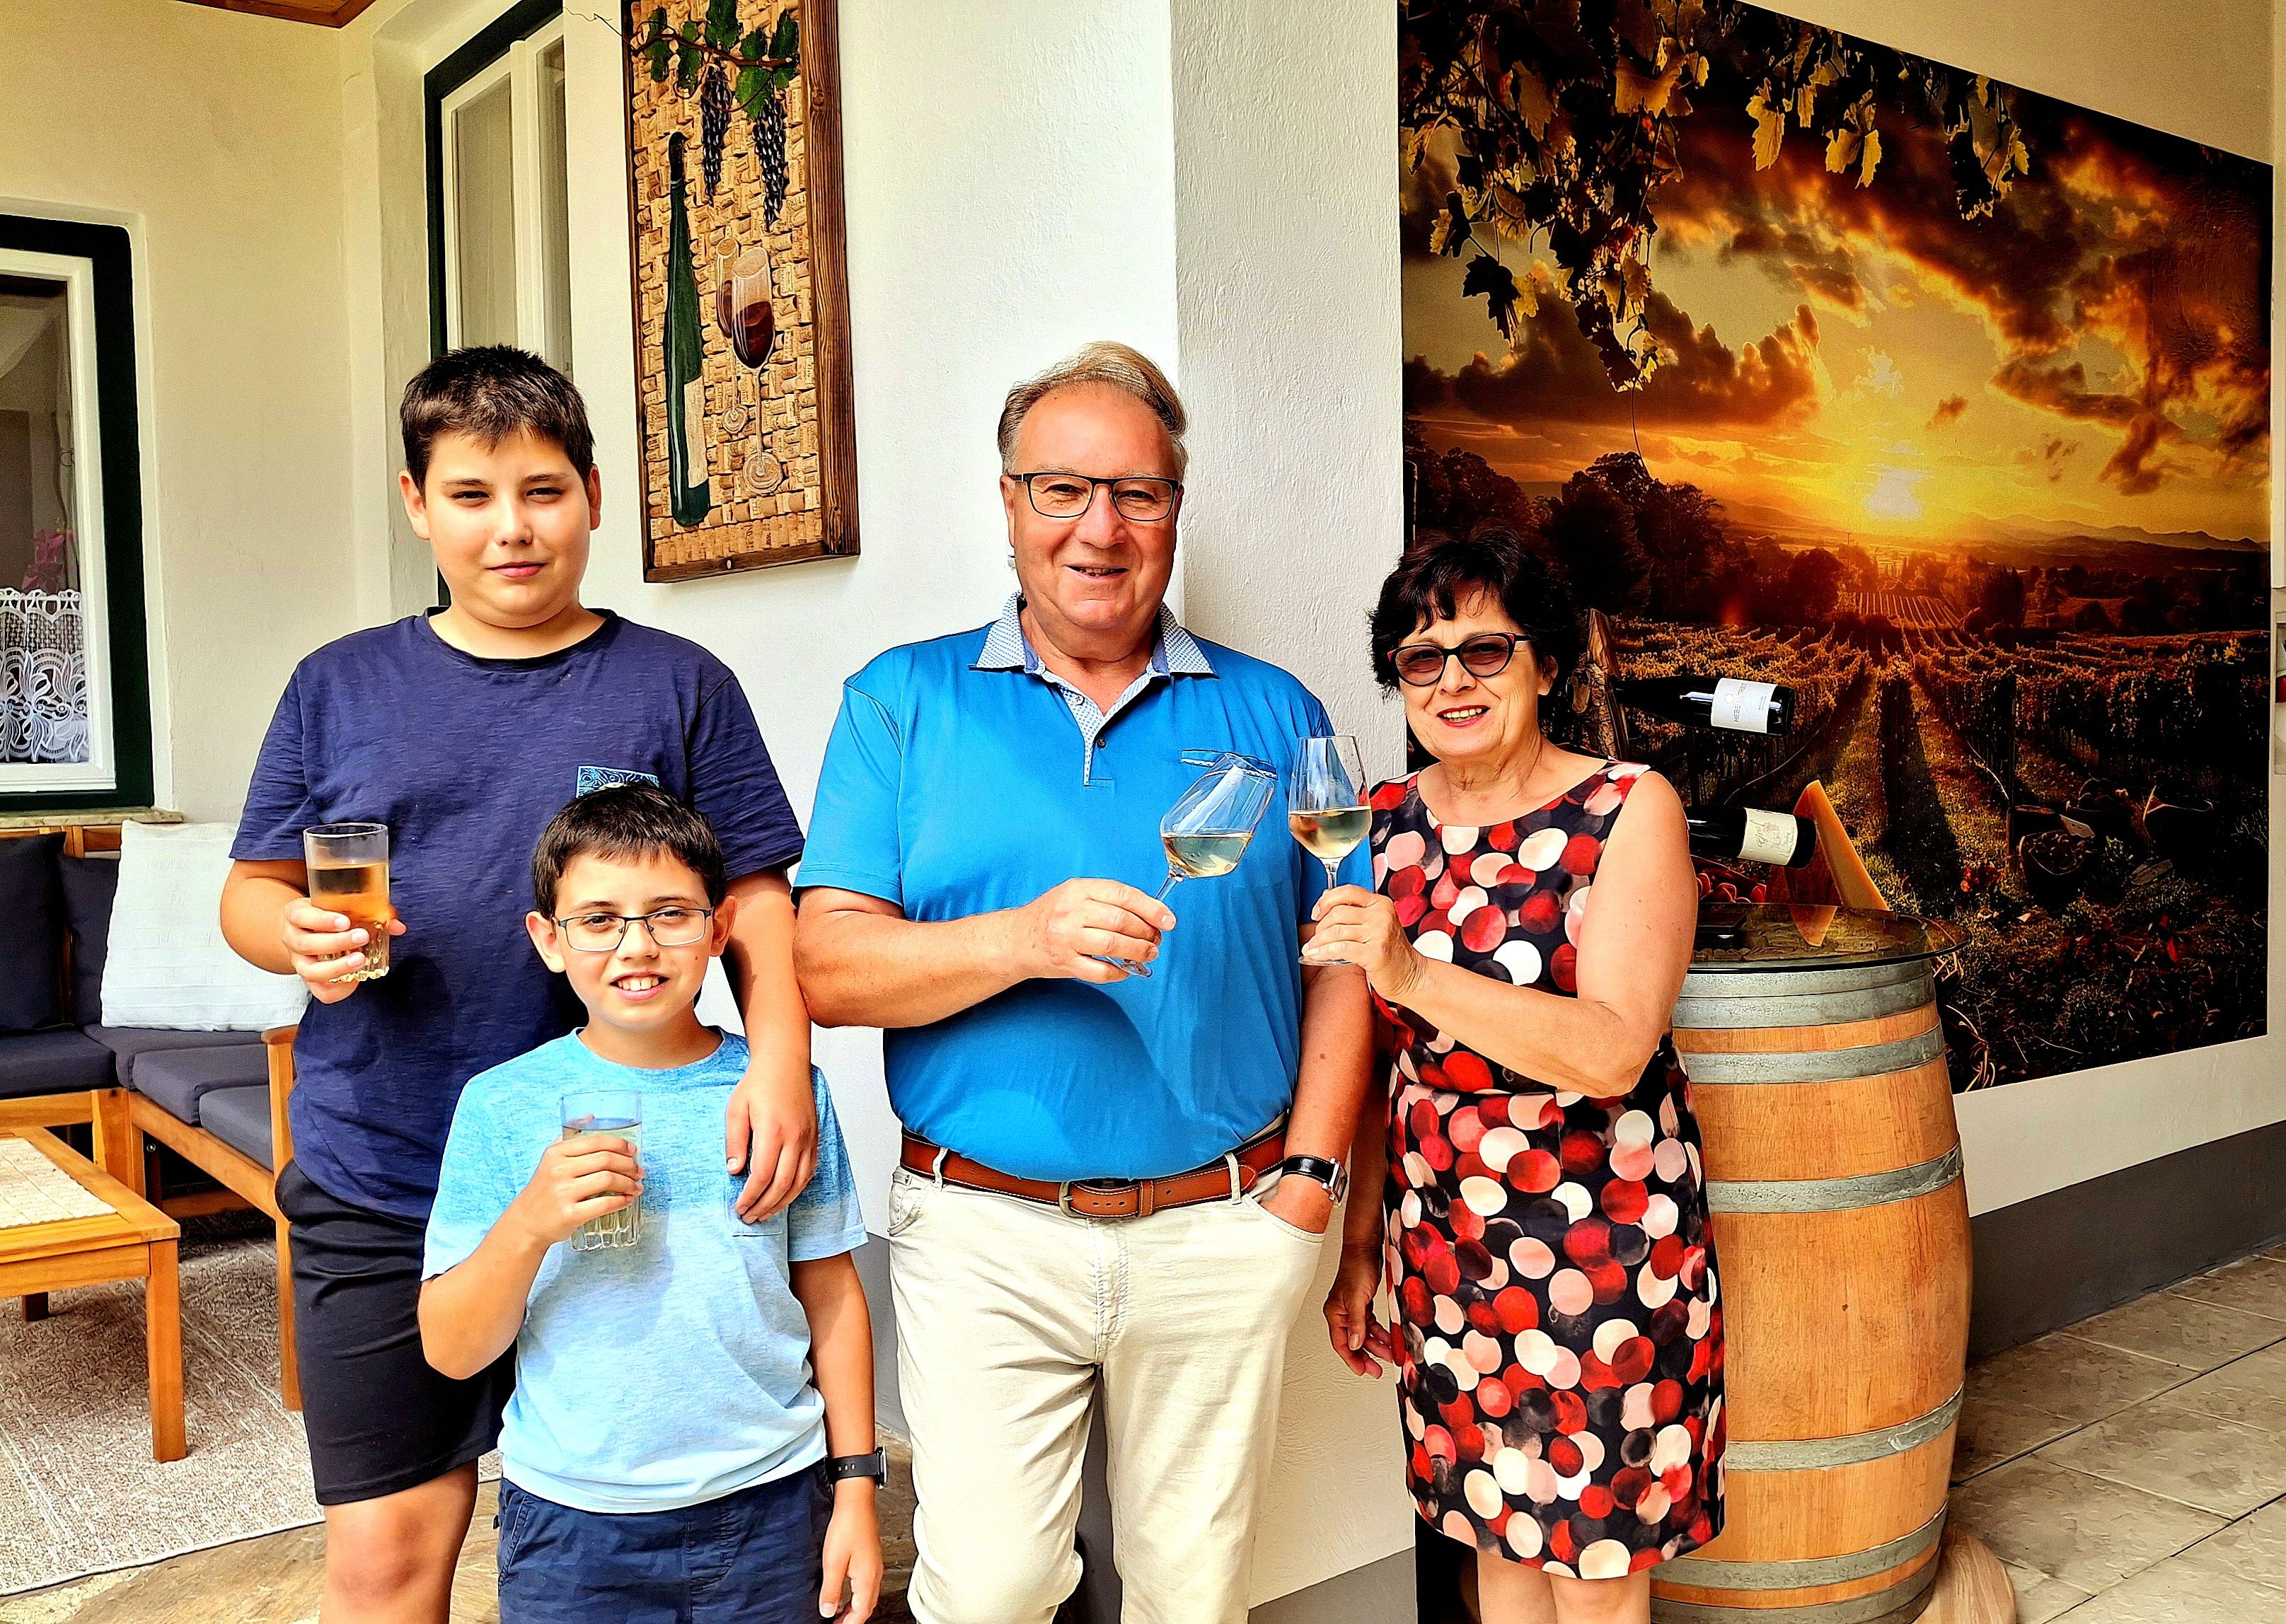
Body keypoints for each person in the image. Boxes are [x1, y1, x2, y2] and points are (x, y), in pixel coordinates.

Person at [219, 347, 816, 1624]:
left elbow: (759, 896)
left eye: (542, 491)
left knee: (643, 1520)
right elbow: (250, 888)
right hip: (381, 1171)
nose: (513, 528)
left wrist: (778, 1066)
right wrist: (293, 938)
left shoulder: (678, 683)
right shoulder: (337, 685)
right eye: (475, 494)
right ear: (417, 502)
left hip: (625, 1169)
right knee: (387, 1565)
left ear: (595, 494)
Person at [793, 341, 1373, 1624]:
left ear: (1176, 513)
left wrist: (1315, 1182)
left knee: (1193, 1594)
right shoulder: (901, 702)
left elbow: (1347, 956)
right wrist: (1023, 939)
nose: (1099, 528)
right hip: (981, 1232)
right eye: (1062, 489)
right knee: (988, 1590)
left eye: (1138, 495)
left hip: (1227, 1223)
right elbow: (822, 967)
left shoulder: (1279, 710)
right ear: (1008, 503)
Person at [1312, 531, 1724, 1624]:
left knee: (1591, 1572)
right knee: (1493, 1548)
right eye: (1420, 656)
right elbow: (1372, 1068)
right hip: (1444, 1247)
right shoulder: (1378, 824)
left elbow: (1609, 1049)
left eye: (1485, 650)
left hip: (1603, 1248)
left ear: (1544, 663)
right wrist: (1361, 1249)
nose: (1451, 678)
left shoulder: (1626, 809)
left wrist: (1408, 968)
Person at [419, 785, 881, 1624]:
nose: (638, 944)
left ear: (720, 927)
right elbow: (452, 1350)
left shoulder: (782, 1094)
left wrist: (856, 1486)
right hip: (573, 1526)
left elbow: (832, 1295)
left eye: (671, 913)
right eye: (598, 919)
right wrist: (530, 1223)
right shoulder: (502, 1105)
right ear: (548, 942)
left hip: (773, 1503)